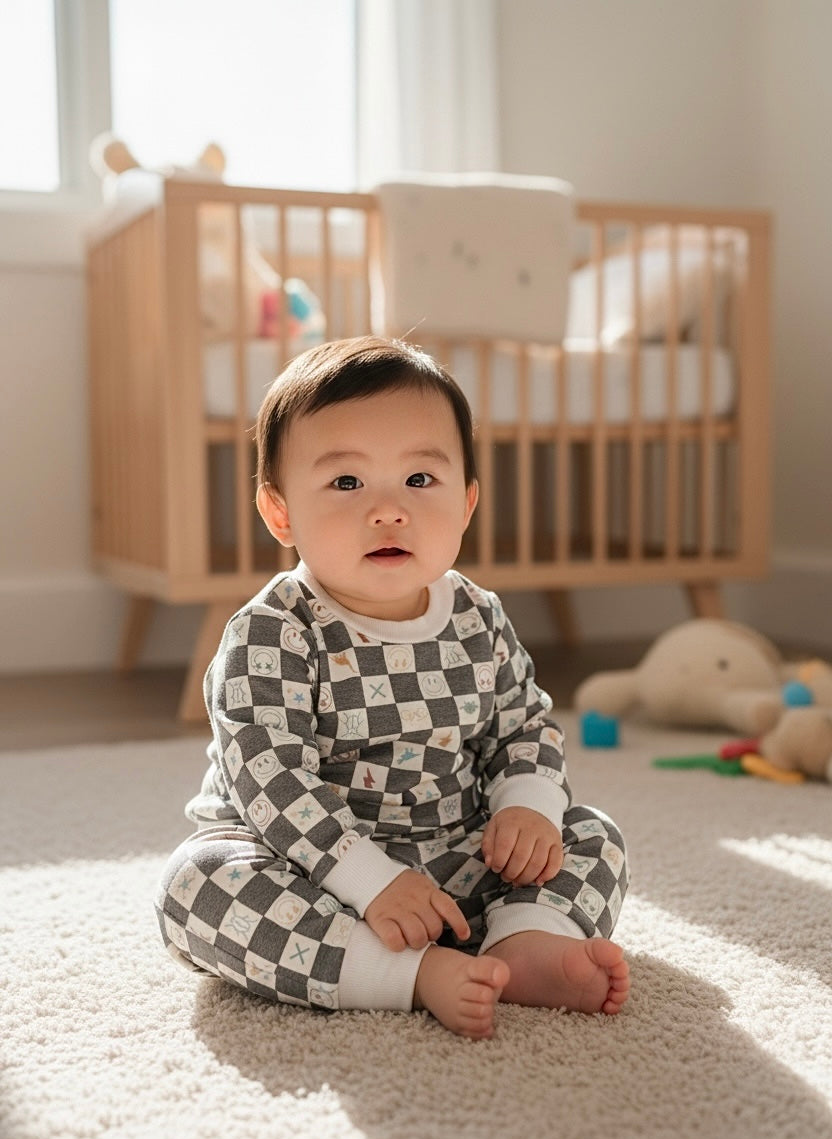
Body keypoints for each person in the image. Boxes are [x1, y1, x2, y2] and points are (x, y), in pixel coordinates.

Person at [155, 336, 629, 1039]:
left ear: (466, 503)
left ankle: (523, 940)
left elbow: (523, 727)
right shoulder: (274, 631)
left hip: (457, 856)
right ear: (281, 514)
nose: (388, 510)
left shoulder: (478, 616)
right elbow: (272, 781)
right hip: (312, 870)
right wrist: (371, 882)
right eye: (347, 483)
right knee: (195, 885)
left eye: (419, 479)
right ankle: (404, 973)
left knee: (589, 834)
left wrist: (526, 810)